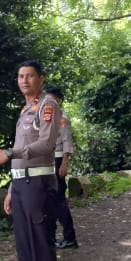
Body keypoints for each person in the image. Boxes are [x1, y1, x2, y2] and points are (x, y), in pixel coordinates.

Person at [0, 61, 63, 261]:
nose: (24, 80)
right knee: (24, 248)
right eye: (20, 76)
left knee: (42, 247)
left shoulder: (47, 106)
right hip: (21, 186)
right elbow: (22, 153)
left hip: (39, 185)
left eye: (30, 76)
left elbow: (45, 145)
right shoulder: (25, 110)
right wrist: (11, 189)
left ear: (40, 79)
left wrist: (9, 153)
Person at [46, 86, 78, 250]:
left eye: (52, 99)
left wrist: (65, 161)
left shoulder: (62, 118)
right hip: (49, 161)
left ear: (58, 100)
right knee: (51, 199)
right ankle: (57, 236)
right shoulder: (48, 117)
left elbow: (67, 141)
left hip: (58, 159)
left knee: (59, 199)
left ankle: (70, 237)